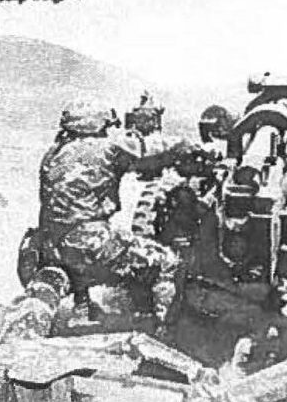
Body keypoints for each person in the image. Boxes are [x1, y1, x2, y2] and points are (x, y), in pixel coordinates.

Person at [37, 98, 188, 330]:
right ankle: (163, 330)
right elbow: (152, 154)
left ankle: (82, 310)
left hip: (49, 245)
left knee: (81, 247)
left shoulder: (52, 154)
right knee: (167, 261)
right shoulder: (106, 148)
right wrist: (187, 147)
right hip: (89, 245)